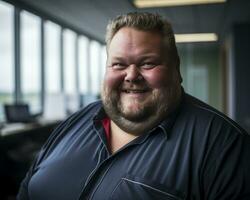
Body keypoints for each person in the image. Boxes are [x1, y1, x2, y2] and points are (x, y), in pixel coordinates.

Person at [17, 12, 250, 200]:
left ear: (176, 69)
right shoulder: (75, 122)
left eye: (147, 63)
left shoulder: (225, 145)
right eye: (118, 64)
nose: (131, 75)